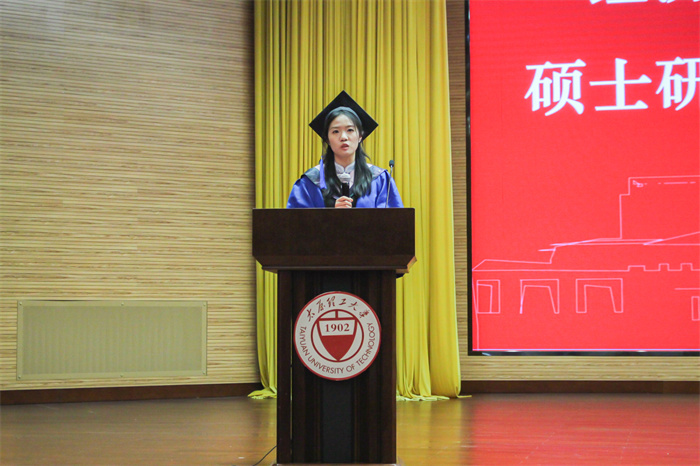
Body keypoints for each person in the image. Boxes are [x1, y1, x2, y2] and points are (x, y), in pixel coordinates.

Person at [287, 91, 403, 209]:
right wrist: (331, 215)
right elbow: (296, 219)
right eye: (335, 131)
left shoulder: (379, 180)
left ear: (360, 136)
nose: (343, 137)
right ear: (327, 139)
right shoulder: (310, 182)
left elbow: (394, 219)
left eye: (350, 130)